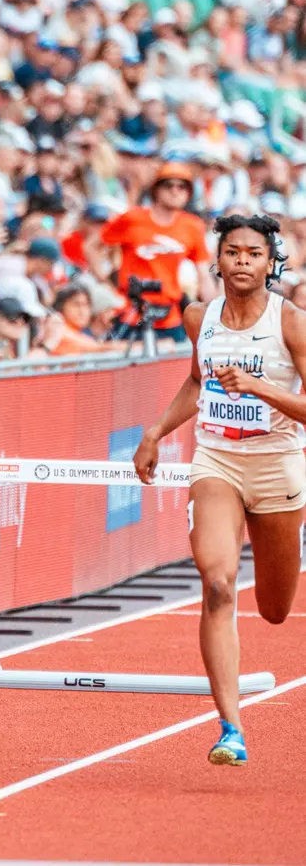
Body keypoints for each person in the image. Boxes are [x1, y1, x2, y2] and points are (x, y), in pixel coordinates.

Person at [134, 215, 306, 768]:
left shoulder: (293, 324)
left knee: (275, 610)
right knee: (217, 582)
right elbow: (195, 380)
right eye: (232, 252)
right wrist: (157, 431)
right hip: (217, 461)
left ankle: (284, 555)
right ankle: (230, 727)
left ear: (270, 262)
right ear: (218, 259)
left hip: (278, 466)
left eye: (253, 254)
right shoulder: (198, 317)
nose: (241, 262)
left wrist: (259, 386)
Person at [101, 162, 213, 343]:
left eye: (182, 186)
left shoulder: (192, 226)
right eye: (168, 185)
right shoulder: (133, 218)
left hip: (170, 314)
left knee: (174, 369)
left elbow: (204, 275)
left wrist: (216, 313)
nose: (175, 191)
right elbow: (93, 245)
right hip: (132, 310)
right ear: (156, 189)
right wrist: (104, 281)